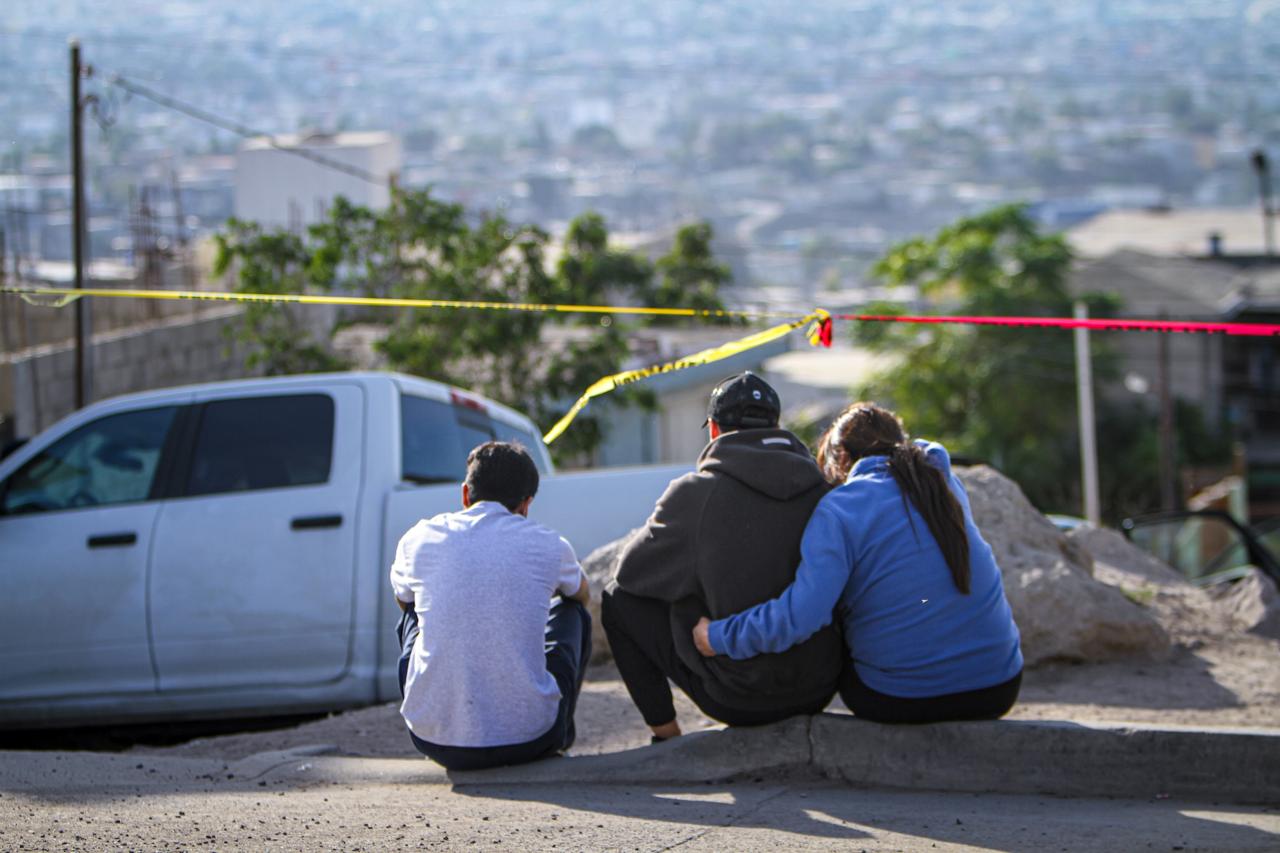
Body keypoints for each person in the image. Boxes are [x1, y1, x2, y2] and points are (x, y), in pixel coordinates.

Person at [693, 402, 1023, 724]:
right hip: (999, 686)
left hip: (902, 698)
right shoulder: (942, 482)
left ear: (841, 458)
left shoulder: (841, 507)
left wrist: (718, 637)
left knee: (830, 603)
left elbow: (802, 617)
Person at [602, 372, 843, 742]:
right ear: (777, 427)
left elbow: (630, 573)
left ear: (714, 429)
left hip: (738, 697)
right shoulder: (824, 488)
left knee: (617, 598)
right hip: (821, 686)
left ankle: (665, 736)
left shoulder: (696, 493)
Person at [390, 441, 592, 770]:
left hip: (434, 740)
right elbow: (582, 594)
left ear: (465, 494)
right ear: (526, 505)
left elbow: (403, 599)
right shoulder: (550, 544)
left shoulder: (418, 538)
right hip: (532, 739)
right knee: (573, 611)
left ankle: (439, 708)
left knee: (413, 610)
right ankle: (562, 734)